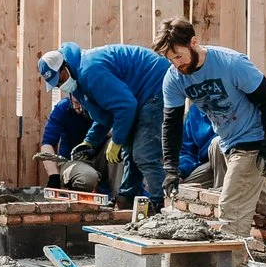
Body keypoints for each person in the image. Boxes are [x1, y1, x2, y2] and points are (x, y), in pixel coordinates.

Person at [155, 20, 266, 241]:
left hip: (252, 141)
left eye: (179, 56)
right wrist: (171, 169)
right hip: (225, 142)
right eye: (170, 59)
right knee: (262, 209)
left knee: (230, 213)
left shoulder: (231, 64)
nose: (176, 64)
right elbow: (171, 125)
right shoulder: (174, 78)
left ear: (193, 42)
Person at [42, 42, 174, 207]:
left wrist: (117, 140)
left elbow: (125, 106)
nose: (61, 85)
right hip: (138, 95)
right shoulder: (77, 83)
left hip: (155, 85)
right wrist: (90, 141)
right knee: (130, 150)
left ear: (65, 66)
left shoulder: (89, 71)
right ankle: (127, 197)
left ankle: (164, 205)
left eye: (60, 79)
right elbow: (105, 113)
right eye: (56, 83)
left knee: (144, 154)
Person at [33, 93, 94, 184]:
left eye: (82, 104)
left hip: (102, 158)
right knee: (88, 178)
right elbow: (47, 143)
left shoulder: (103, 106)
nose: (78, 107)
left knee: (119, 145)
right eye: (75, 102)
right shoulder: (62, 108)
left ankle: (120, 194)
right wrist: (54, 177)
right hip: (73, 160)